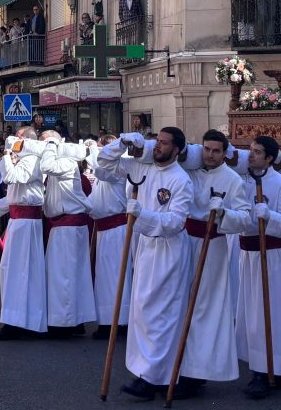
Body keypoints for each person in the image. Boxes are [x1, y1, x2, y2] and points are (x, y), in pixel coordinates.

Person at [96, 127, 193, 400]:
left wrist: (143, 215)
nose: (158, 146)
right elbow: (104, 165)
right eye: (157, 141)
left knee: (162, 314)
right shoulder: (140, 167)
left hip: (169, 250)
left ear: (176, 149)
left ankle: (154, 378)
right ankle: (146, 372)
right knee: (142, 311)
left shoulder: (181, 179)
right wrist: (120, 144)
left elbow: (176, 222)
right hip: (144, 247)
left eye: (164, 143)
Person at [175, 130, 250, 397]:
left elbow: (245, 218)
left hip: (212, 244)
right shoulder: (191, 170)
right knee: (181, 303)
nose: (210, 155)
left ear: (224, 153)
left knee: (203, 307)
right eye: (207, 149)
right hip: (185, 241)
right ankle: (175, 366)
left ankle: (196, 372)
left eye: (216, 151)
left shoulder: (232, 179)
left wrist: (222, 213)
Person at [236, 135, 281, 400]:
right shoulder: (241, 180)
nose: (251, 155)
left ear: (270, 158)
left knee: (271, 313)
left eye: (257, 152)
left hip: (271, 256)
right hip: (248, 254)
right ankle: (257, 367)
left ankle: (271, 371)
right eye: (250, 150)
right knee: (251, 315)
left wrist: (270, 215)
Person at [0, 131, 48, 340]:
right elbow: (12, 198)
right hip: (18, 223)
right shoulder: (23, 161)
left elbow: (11, 177)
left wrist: (7, 154)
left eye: (18, 138)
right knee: (11, 269)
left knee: (23, 272)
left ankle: (22, 322)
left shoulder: (33, 160)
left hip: (27, 225)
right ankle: (14, 319)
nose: (14, 141)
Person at [40, 135, 95, 336]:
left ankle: (65, 322)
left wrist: (51, 143)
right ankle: (72, 318)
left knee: (64, 275)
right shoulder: (64, 163)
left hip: (68, 225)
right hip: (65, 225)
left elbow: (46, 165)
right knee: (68, 274)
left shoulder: (65, 162)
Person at [89, 134, 131, 341]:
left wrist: (91, 152)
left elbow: (100, 170)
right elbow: (93, 199)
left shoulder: (116, 170)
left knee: (116, 277)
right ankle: (106, 320)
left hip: (116, 229)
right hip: (103, 228)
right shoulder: (102, 173)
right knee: (104, 279)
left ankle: (119, 321)